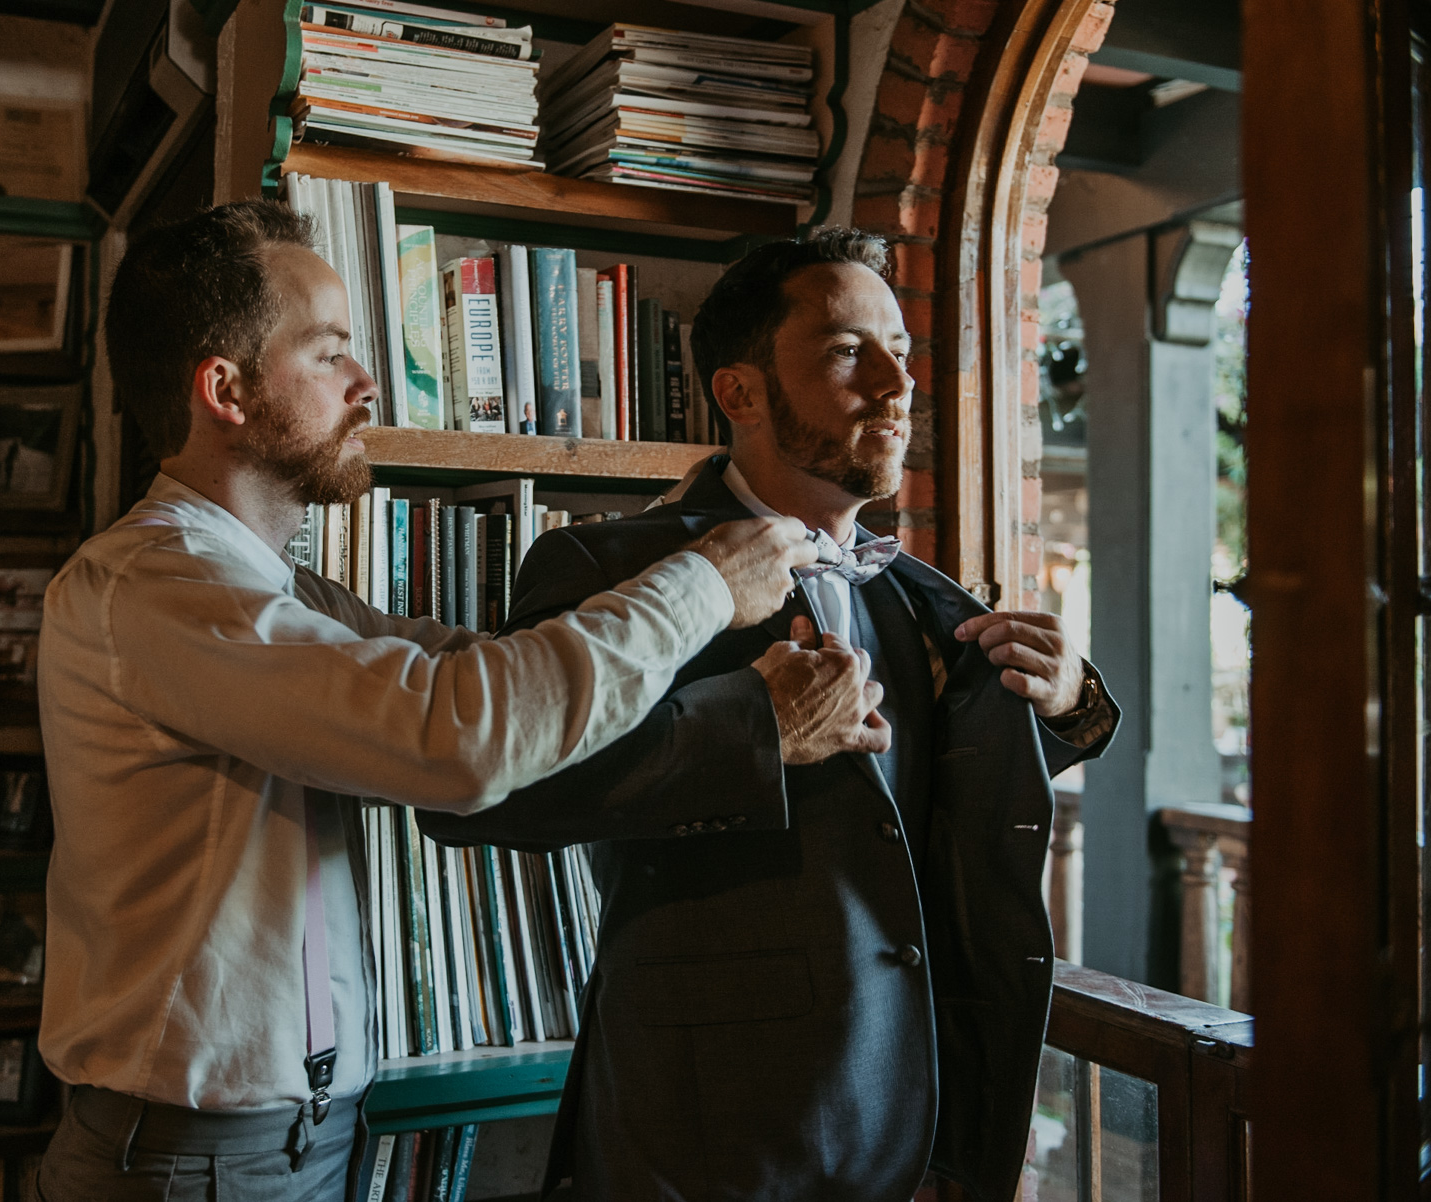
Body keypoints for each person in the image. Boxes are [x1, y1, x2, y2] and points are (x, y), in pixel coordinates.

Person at [31, 200, 857, 1201]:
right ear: (226, 390)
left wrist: (678, 587)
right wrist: (705, 582)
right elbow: (459, 734)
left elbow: (490, 669)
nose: (367, 384)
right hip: (188, 1162)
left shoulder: (279, 594)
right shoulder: (159, 591)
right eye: (331, 353)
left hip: (281, 1142)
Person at [419, 227, 1119, 1202]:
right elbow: (486, 796)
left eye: (900, 353)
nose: (894, 382)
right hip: (705, 1135)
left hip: (921, 1127)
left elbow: (914, 805)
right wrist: (756, 725)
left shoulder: (925, 596)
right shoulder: (604, 569)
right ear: (739, 392)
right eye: (846, 351)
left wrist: (1065, 699)